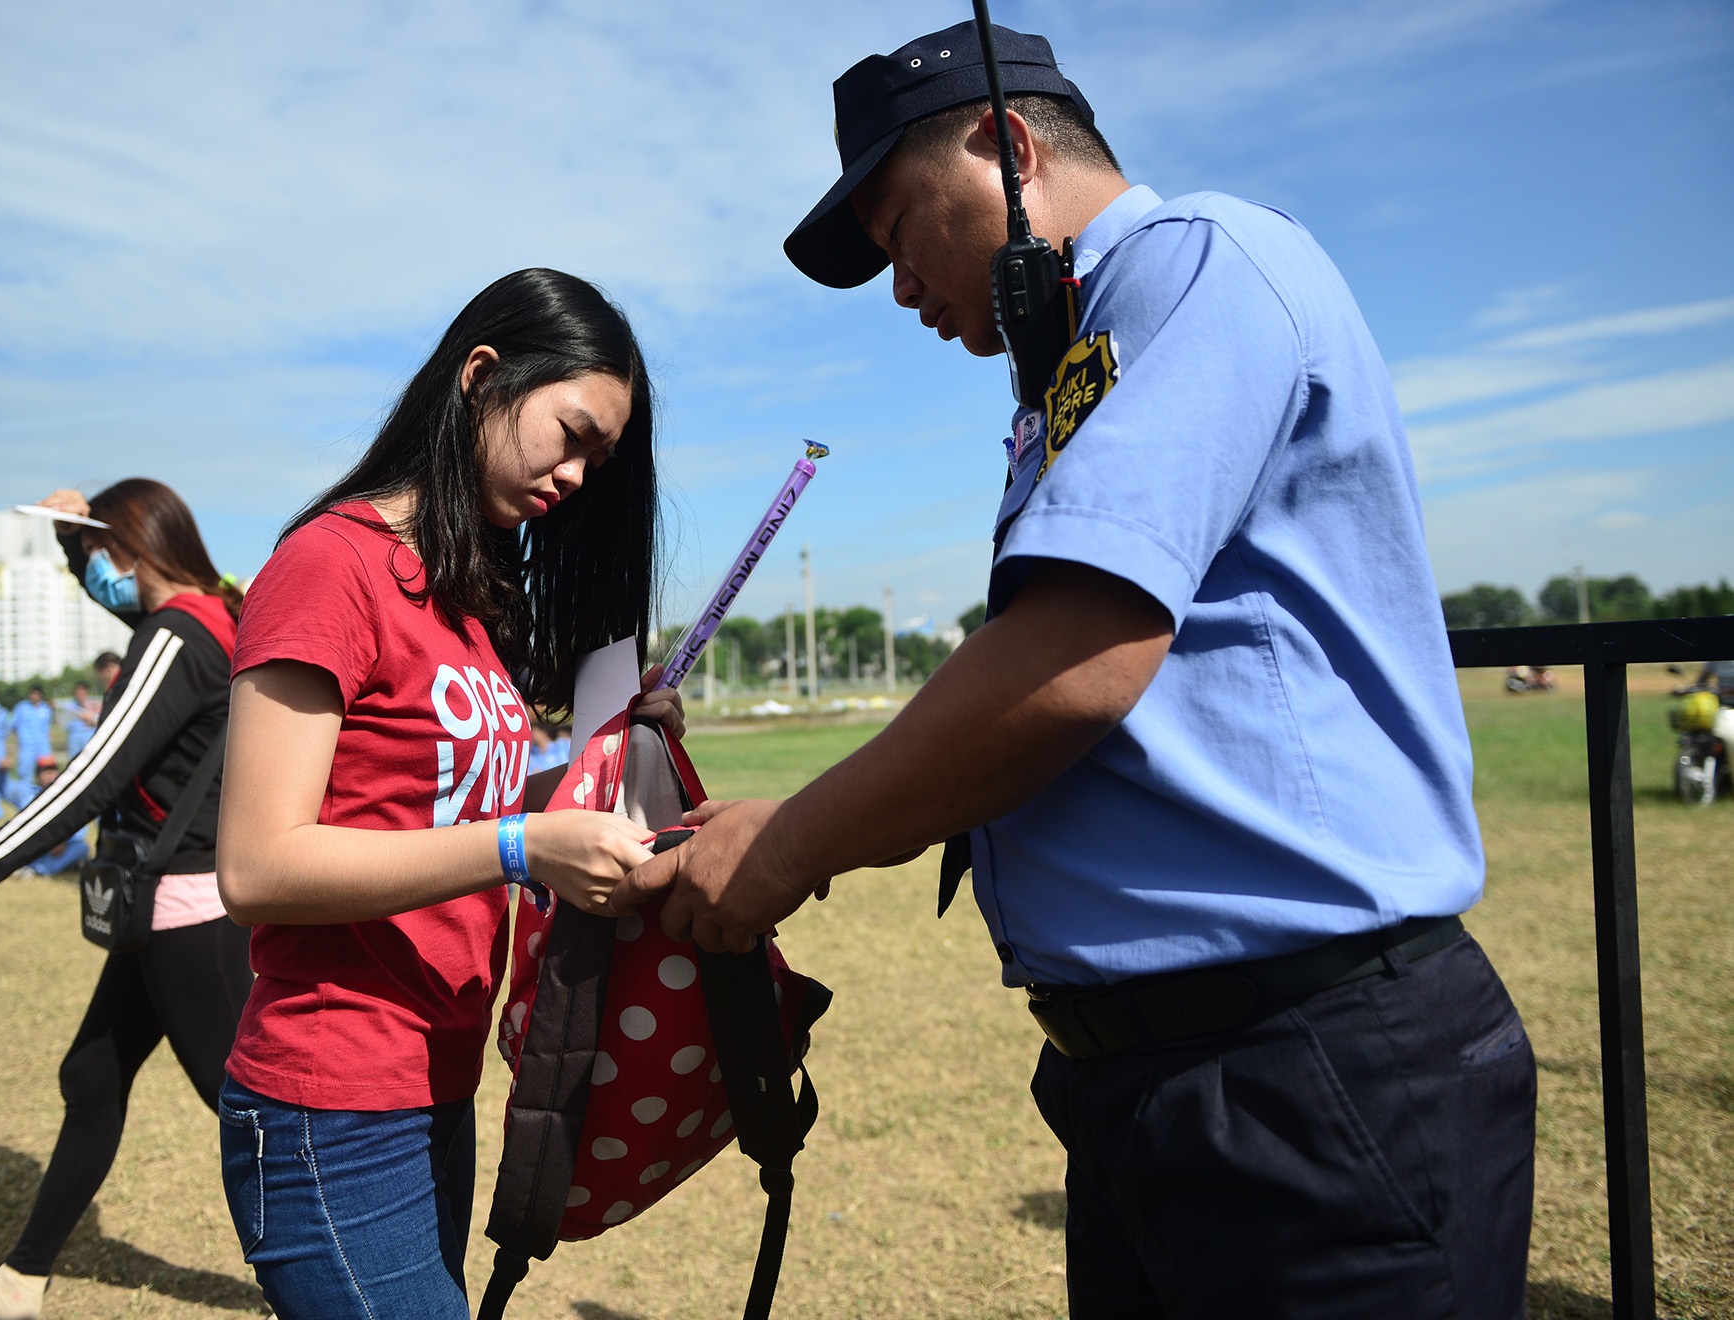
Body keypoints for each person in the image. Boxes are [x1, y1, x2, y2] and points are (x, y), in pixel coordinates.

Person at [618, 24, 1534, 1320]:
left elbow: (1077, 659)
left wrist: (794, 842)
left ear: (1005, 142)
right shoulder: (1074, 362)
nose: (899, 285)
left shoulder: (1195, 263)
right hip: (1169, 1077)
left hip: (1307, 1061)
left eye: (900, 228)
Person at [214, 268, 680, 1319]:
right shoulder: (331, 566)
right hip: (328, 1101)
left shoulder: (468, 595)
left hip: (436, 1084)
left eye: (598, 461)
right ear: (482, 377)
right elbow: (256, 865)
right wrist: (523, 844)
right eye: (570, 434)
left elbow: (440, 798)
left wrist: (603, 758)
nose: (575, 476)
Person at [0, 478, 251, 1320]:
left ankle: (329, 1282)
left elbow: (88, 781)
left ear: (128, 548)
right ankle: (18, 1283)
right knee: (92, 1077)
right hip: (172, 908)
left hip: (184, 914)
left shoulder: (173, 634)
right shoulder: (216, 620)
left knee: (248, 1112)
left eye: (88, 558)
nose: (86, 578)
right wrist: (66, 528)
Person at [0, 755, 91, 876]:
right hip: (34, 843)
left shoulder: (70, 796)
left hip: (61, 846)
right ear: (37, 776)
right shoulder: (27, 794)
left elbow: (80, 827)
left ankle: (38, 870)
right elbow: (5, 788)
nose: (49, 775)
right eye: (44, 772)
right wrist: (1, 772)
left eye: (52, 771)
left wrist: (61, 840)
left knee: (81, 847)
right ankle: (59, 866)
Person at [11, 684, 55, 768]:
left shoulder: (46, 708)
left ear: (41, 695)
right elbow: (13, 725)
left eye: (37, 693)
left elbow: (48, 725)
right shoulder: (21, 707)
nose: (34, 696)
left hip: (43, 745)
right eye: (32, 693)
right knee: (25, 770)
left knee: (46, 769)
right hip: (27, 744)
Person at [60, 682, 99, 754]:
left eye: (82, 692)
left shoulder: (94, 705)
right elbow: (64, 723)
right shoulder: (69, 706)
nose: (80, 694)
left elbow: (98, 721)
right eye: (78, 692)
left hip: (89, 737)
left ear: (87, 692)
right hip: (74, 738)